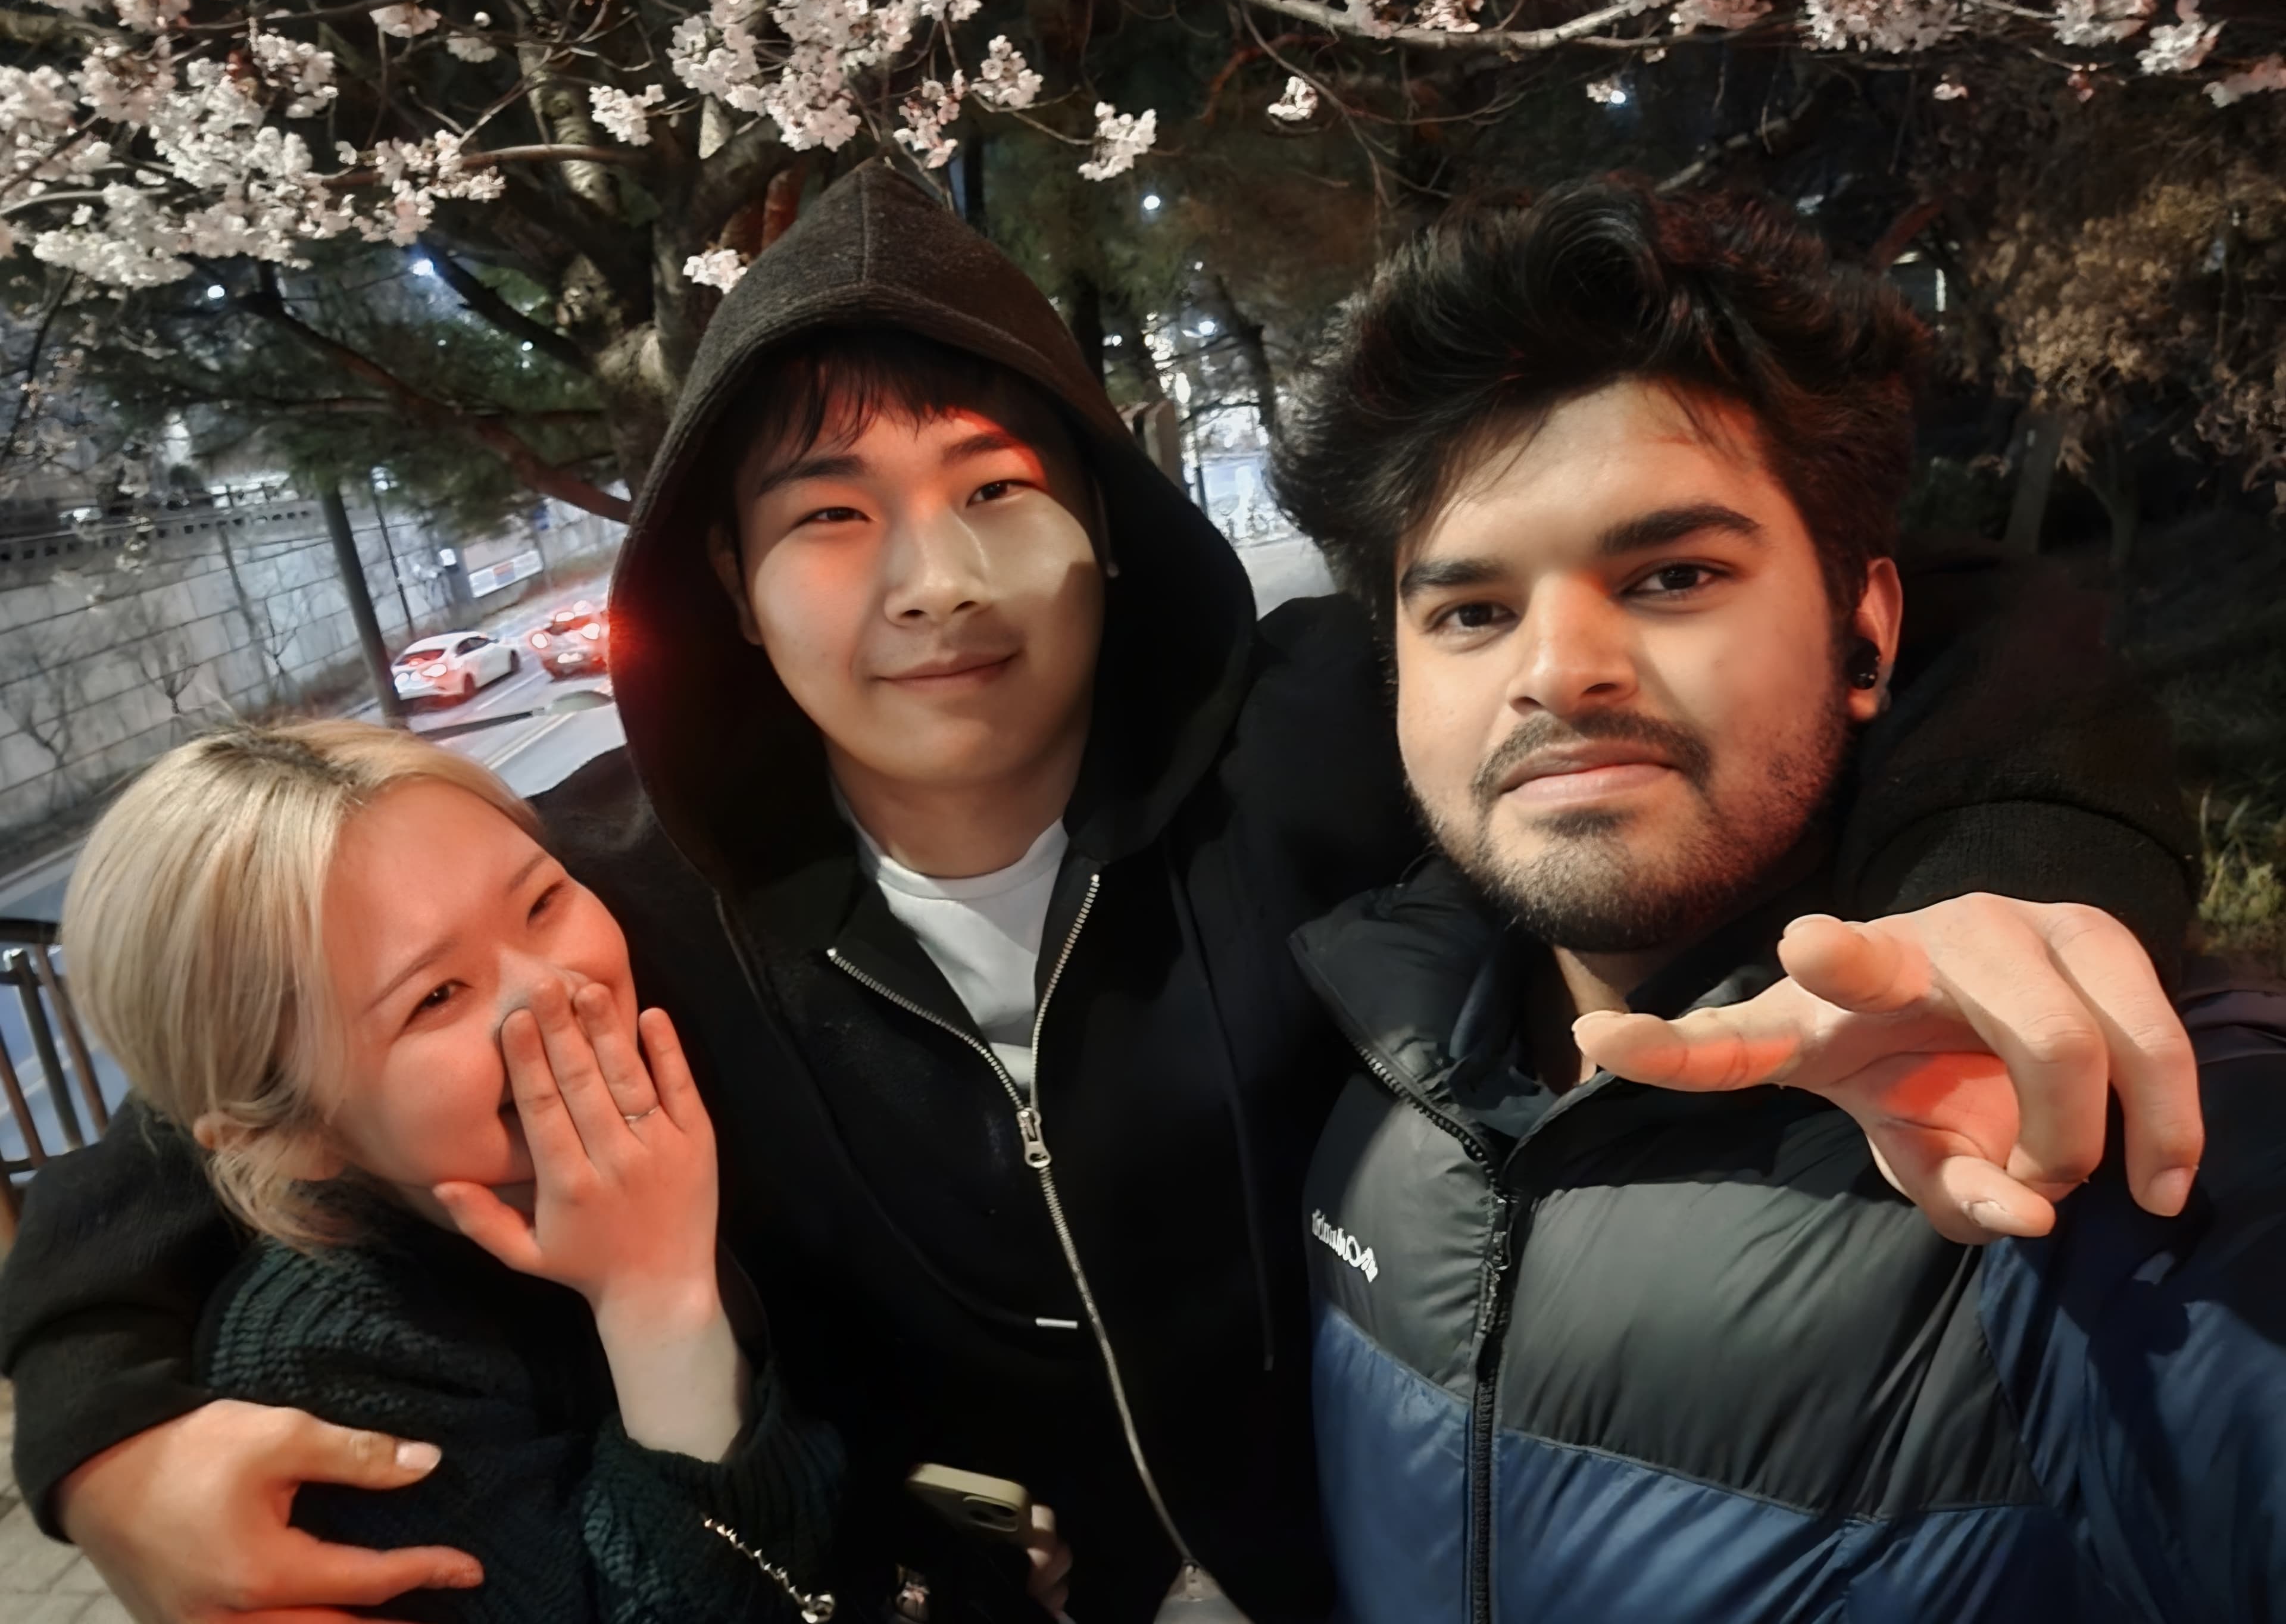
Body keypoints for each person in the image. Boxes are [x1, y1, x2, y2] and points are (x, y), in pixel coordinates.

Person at [0, 161, 2211, 1624]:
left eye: (999, 488)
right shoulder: (619, 888)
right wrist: (96, 1433)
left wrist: (2012, 885)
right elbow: (248, 1096)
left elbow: (1951, 636)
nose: (938, 584)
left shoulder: (1332, 734)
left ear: (1116, 524)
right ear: (730, 595)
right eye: (832, 516)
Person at [1273, 176, 2286, 1623]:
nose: (1559, 669)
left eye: (1674, 573)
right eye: (1472, 613)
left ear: (1867, 630)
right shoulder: (1386, 1075)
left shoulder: (2055, 1124)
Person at [52, 720, 850, 1623]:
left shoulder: (682, 1028)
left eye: (544, 903)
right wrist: (652, 1297)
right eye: (434, 996)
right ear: (287, 1136)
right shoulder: (340, 1374)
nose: (558, 992)